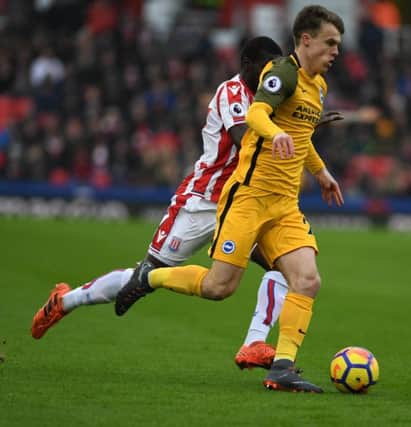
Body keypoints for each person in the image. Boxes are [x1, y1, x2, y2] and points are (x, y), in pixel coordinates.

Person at [30, 36, 342, 370]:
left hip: (249, 203)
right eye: (265, 68)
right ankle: (65, 300)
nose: (271, 73)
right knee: (147, 272)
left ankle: (254, 343)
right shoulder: (232, 93)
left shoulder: (280, 95)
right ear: (247, 64)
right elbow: (243, 138)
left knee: (287, 269)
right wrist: (293, 126)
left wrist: (304, 124)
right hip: (204, 202)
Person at [115, 5, 345, 393]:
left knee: (306, 279)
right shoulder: (282, 74)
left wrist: (320, 172)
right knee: (219, 288)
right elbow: (256, 115)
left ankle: (283, 367)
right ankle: (148, 276)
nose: (336, 51)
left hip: (285, 205)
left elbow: (302, 137)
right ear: (306, 40)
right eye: (330, 42)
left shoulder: (318, 86)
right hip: (248, 198)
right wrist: (275, 134)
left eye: (338, 44)